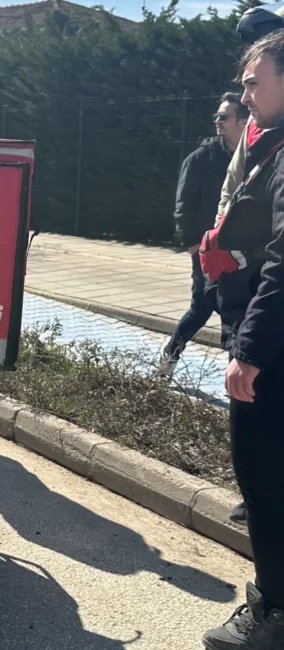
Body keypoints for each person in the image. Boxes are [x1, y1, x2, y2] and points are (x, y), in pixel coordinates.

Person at [201, 32, 284, 650]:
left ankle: (272, 612)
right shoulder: (268, 146)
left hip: (271, 350)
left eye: (255, 82)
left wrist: (249, 351)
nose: (245, 94)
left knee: (261, 477)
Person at [162, 93, 249, 375]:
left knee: (237, 312)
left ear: (242, 120)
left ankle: (238, 377)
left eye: (224, 117)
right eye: (217, 117)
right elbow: (183, 204)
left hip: (244, 249)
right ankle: (170, 357)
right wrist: (192, 245)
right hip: (207, 249)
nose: (218, 122)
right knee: (202, 308)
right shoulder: (201, 158)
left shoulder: (256, 153)